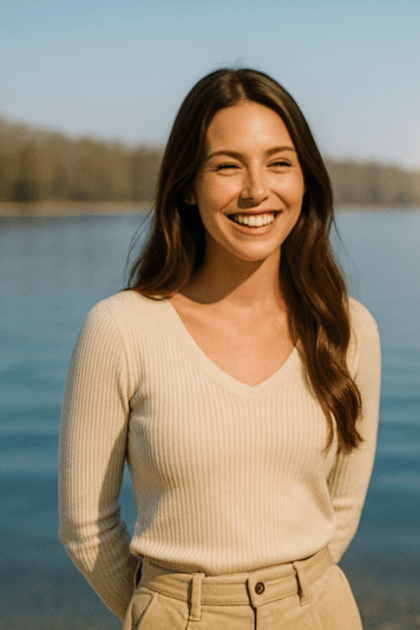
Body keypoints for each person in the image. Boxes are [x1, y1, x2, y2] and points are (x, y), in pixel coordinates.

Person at [58, 68, 380, 629]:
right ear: (187, 184)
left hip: (321, 610)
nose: (256, 189)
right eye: (227, 166)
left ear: (305, 180)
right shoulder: (120, 329)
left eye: (279, 162)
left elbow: (342, 510)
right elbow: (86, 527)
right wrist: (163, 611)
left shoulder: (349, 329)